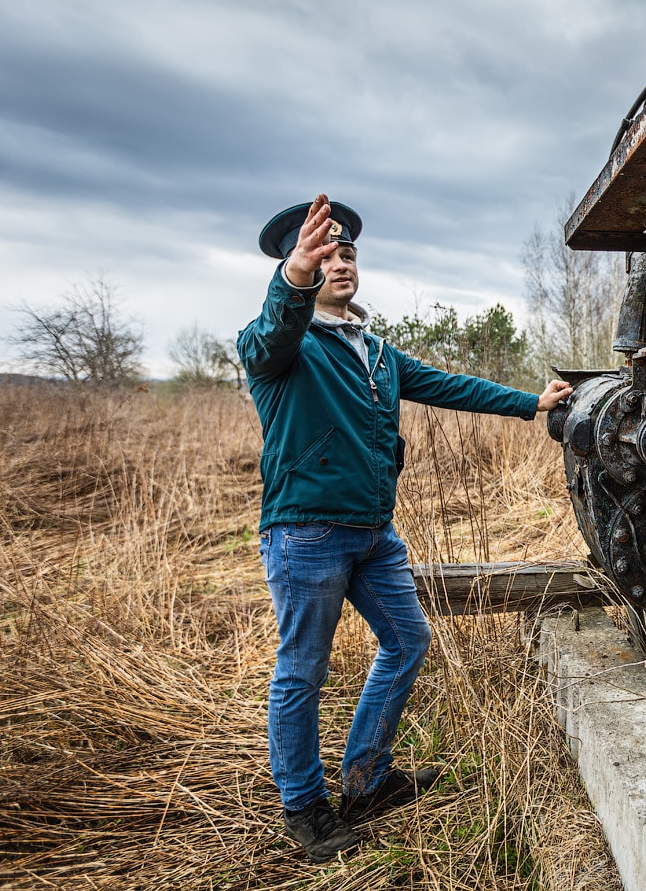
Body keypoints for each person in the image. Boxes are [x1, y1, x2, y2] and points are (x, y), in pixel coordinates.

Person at [237, 194, 572, 863]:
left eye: (347, 251)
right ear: (295, 265)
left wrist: (530, 402)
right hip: (306, 533)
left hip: (372, 533)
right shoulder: (281, 345)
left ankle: (365, 778)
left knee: (408, 637)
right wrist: (292, 281)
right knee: (303, 669)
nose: (339, 260)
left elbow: (452, 386)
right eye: (322, 253)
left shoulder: (379, 353)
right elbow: (272, 329)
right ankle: (305, 806)